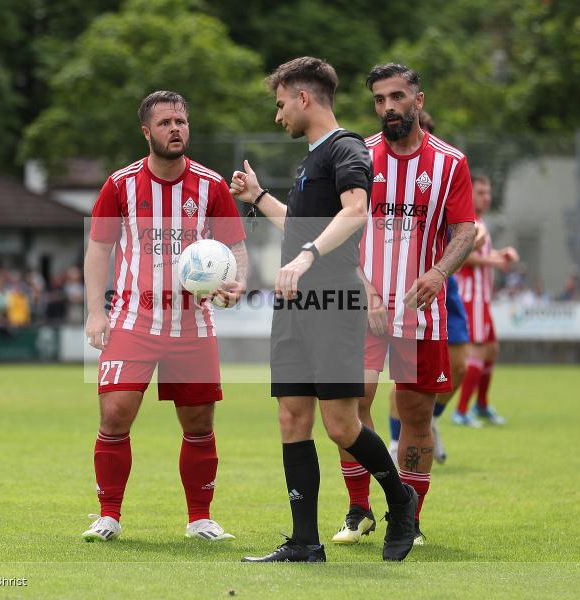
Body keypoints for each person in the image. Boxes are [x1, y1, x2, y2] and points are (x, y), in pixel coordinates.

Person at [231, 57, 419, 563]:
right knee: (292, 418)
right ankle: (304, 543)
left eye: (279, 104)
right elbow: (303, 225)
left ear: (303, 98)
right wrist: (259, 197)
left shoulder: (348, 148)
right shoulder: (312, 158)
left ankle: (402, 501)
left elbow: (354, 212)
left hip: (333, 305)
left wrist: (308, 257)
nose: (278, 117)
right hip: (293, 308)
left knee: (341, 426)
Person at [83, 90, 248, 543]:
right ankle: (108, 516)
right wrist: (96, 312)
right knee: (115, 414)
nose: (175, 129)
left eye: (181, 121)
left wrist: (237, 283)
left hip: (192, 325)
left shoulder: (211, 185)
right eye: (165, 123)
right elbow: (99, 248)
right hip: (133, 321)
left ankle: (199, 519)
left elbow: (235, 247)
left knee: (198, 423)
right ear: (146, 131)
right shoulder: (120, 184)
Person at [329, 64, 476, 547]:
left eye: (396, 97)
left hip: (421, 316)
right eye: (379, 99)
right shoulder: (358, 157)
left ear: (418, 99)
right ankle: (359, 509)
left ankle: (408, 520)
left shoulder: (450, 163)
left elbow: (464, 231)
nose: (388, 107)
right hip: (362, 312)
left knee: (415, 417)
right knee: (351, 411)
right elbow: (338, 234)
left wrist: (439, 272)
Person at [386, 111, 487, 462]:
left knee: (458, 367)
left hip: (444, 282)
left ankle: (428, 422)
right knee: (404, 374)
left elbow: (467, 228)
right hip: (397, 284)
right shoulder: (385, 170)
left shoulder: (445, 167)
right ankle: (399, 439)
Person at [453, 176, 519, 426]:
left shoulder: (479, 222)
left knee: (491, 349)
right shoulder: (467, 221)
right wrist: (496, 262)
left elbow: (479, 253)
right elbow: (461, 256)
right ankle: (461, 410)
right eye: (480, 192)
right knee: (478, 351)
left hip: (482, 297)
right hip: (470, 297)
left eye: (488, 193)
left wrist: (499, 254)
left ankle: (481, 405)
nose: (486, 197)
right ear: (468, 194)